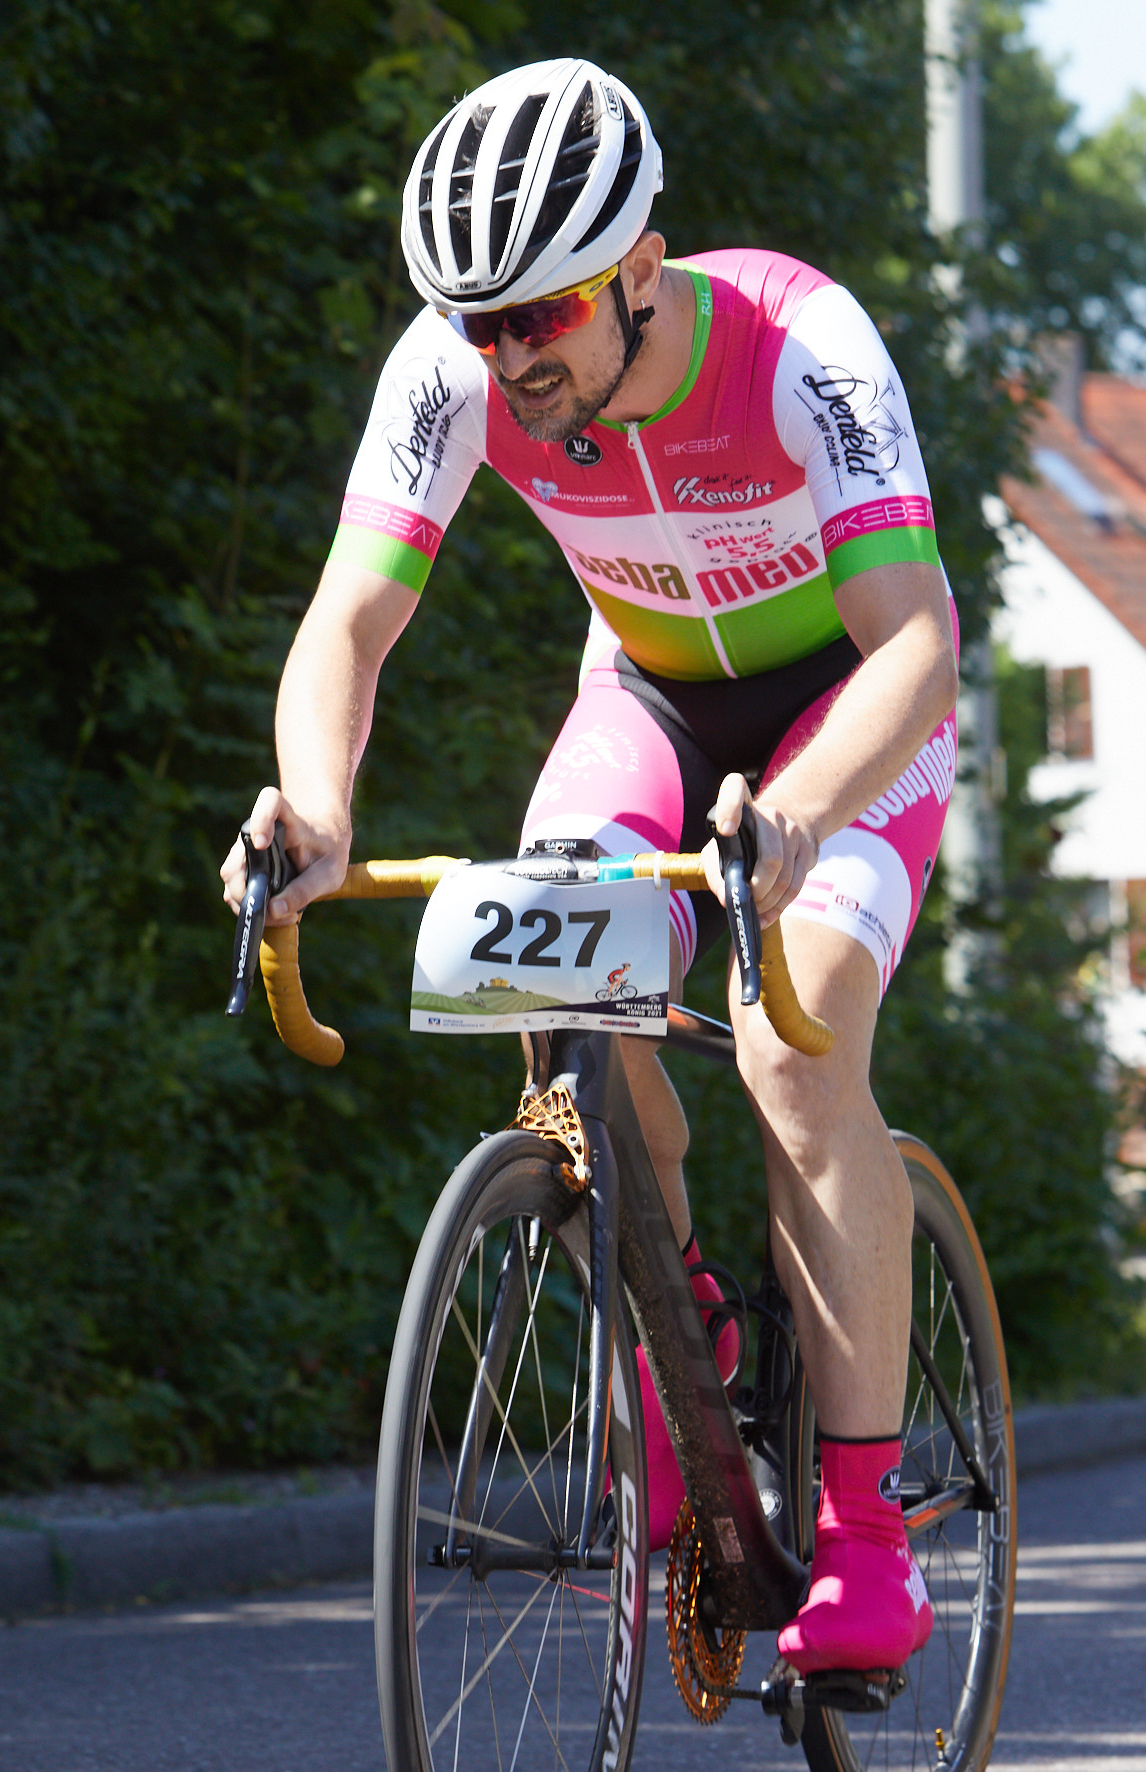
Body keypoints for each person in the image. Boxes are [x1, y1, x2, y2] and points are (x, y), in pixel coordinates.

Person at [221, 57, 958, 1677]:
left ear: (638, 268)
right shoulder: (456, 369)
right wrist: (316, 811)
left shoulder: (798, 342)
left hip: (846, 713)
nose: (505, 357)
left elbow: (914, 641)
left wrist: (797, 817)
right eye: (475, 323)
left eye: (537, 317)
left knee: (789, 1039)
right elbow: (351, 615)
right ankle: (679, 1328)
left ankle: (864, 1535)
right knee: (551, 995)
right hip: (645, 699)